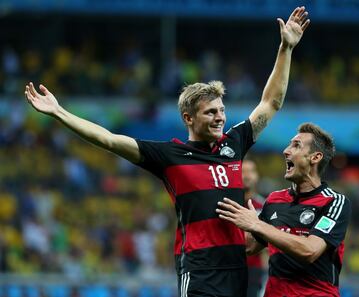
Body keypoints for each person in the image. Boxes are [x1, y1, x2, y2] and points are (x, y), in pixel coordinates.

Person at [24, 7, 310, 297]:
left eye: (221, 111)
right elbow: (109, 139)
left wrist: (286, 48)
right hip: (199, 270)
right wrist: (60, 112)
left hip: (237, 268)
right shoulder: (169, 156)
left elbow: (270, 103)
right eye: (210, 112)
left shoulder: (234, 143)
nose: (219, 118)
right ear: (189, 118)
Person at [217, 123, 351, 297]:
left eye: (296, 146)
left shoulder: (334, 202)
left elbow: (309, 250)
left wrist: (257, 224)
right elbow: (250, 246)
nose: (286, 151)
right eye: (289, 144)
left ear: (315, 157)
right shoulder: (274, 200)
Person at [242, 159, 267, 297]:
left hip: (254, 270)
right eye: (243, 172)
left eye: (250, 171)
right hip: (229, 267)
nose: (247, 175)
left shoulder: (265, 206)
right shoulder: (228, 204)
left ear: (256, 176)